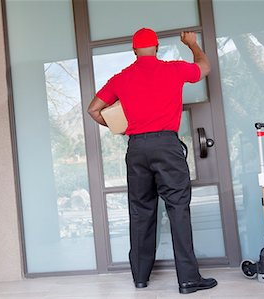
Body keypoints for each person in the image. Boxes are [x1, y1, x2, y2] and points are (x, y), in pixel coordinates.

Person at [87, 28, 218, 294]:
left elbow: (93, 109)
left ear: (134, 50)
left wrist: (120, 128)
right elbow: (204, 67)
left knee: (141, 210)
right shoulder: (173, 70)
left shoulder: (121, 78)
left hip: (136, 148)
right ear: (156, 48)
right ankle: (188, 279)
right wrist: (192, 44)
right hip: (166, 146)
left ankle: (140, 277)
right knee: (177, 208)